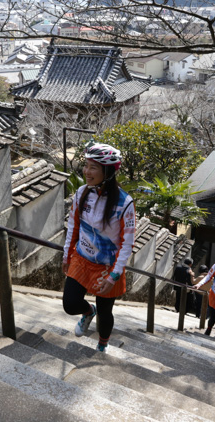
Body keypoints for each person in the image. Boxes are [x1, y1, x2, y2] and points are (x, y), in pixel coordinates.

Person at [62, 143, 136, 353]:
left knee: (106, 314)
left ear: (108, 172)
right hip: (82, 258)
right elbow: (73, 226)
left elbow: (127, 243)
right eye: (86, 165)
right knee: (70, 304)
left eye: (93, 167)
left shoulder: (125, 203)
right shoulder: (81, 193)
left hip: (108, 267)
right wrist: (66, 255)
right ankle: (88, 311)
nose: (86, 171)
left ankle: (102, 345)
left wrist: (113, 275)